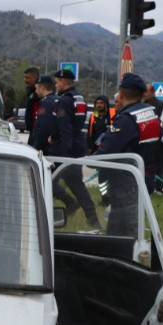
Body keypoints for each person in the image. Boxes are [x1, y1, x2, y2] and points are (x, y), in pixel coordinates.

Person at [93, 74, 160, 236]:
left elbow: (105, 152)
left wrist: (89, 159)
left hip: (125, 185)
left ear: (121, 94)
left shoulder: (126, 119)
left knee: (123, 234)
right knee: (134, 226)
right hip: (146, 179)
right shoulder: (151, 113)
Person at [51, 69, 101, 229]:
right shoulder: (79, 98)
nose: (56, 85)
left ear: (63, 82)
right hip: (77, 145)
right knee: (76, 184)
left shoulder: (65, 101)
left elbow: (65, 129)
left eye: (57, 82)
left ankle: (73, 207)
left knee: (49, 182)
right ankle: (92, 218)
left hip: (66, 149)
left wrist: (64, 157)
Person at [29, 76, 63, 153]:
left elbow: (43, 128)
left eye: (36, 88)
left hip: (46, 147)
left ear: (42, 88)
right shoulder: (58, 99)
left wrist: (36, 147)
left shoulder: (46, 103)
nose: (36, 91)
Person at [21, 67, 41, 134]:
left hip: (36, 130)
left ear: (35, 78)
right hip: (32, 130)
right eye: (24, 77)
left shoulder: (39, 94)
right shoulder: (31, 92)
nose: (25, 80)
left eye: (27, 78)